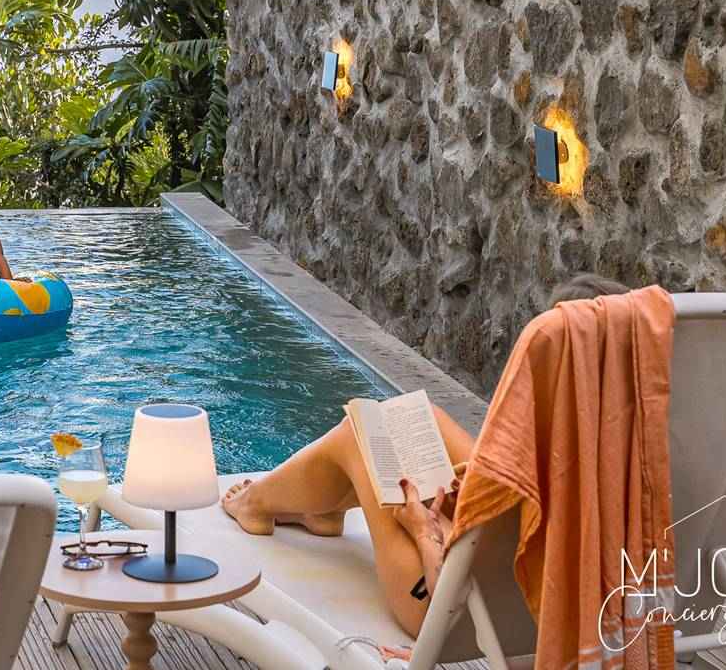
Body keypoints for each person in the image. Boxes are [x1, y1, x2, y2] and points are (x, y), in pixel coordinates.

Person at [219, 274, 630, 640]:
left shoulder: (541, 459)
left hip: (448, 609)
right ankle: (321, 509)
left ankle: (257, 504)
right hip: (524, 600)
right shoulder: (627, 452)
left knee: (358, 433)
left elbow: (454, 577)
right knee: (419, 418)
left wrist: (422, 528)